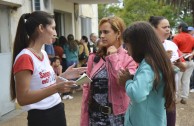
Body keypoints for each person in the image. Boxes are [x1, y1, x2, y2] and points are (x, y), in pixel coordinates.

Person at [10, 11, 86, 126]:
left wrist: (65, 76)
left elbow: (47, 82)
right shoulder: (25, 57)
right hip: (41, 117)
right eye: (53, 28)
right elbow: (23, 98)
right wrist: (56, 88)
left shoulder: (43, 53)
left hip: (57, 109)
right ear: (41, 28)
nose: (55, 33)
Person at [80, 16, 137, 126]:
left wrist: (114, 57)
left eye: (106, 32)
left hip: (119, 118)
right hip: (95, 117)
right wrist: (84, 119)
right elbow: (87, 90)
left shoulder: (129, 58)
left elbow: (123, 83)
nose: (101, 36)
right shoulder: (94, 58)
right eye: (101, 32)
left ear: (118, 33)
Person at [119, 21, 176, 126]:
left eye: (127, 46)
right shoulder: (155, 61)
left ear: (138, 45)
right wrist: (133, 79)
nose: (127, 51)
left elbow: (137, 94)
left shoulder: (149, 65)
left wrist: (127, 81)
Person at [149, 16, 186, 126]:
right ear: (153, 29)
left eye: (169, 27)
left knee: (170, 122)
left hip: (170, 94)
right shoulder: (146, 47)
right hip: (153, 95)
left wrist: (178, 63)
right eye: (164, 27)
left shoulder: (172, 45)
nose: (168, 29)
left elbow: (183, 67)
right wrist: (164, 59)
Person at [173, 22, 194, 104]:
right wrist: (191, 55)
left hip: (180, 61)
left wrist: (182, 55)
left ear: (180, 28)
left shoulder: (177, 37)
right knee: (186, 79)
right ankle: (184, 97)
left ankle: (175, 97)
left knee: (177, 80)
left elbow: (174, 50)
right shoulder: (192, 38)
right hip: (190, 60)